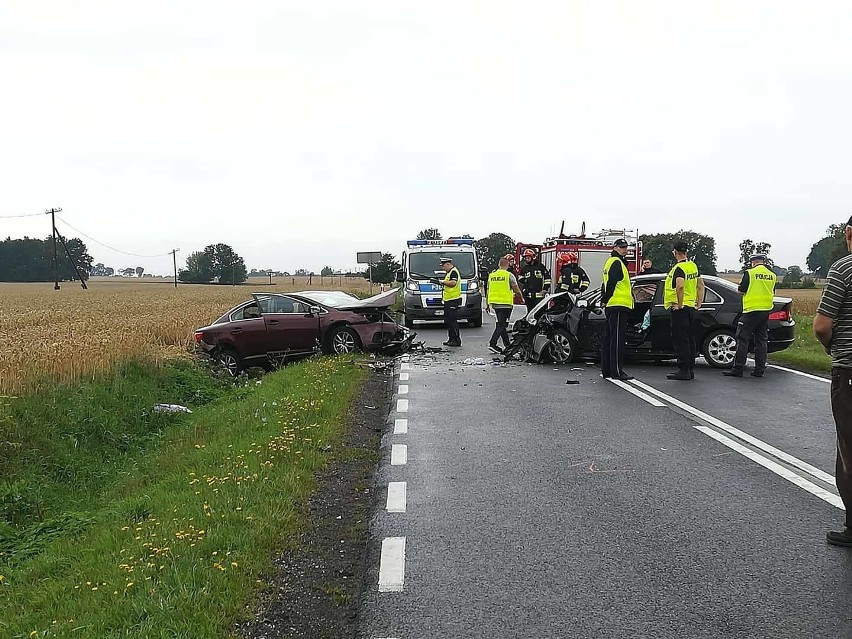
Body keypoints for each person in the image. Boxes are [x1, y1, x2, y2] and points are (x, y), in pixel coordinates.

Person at [814, 217, 852, 547]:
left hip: (850, 371)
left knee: (849, 448)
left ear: (849, 234)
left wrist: (831, 348)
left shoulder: (844, 269)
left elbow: (822, 325)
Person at [723, 253, 777, 377]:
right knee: (761, 340)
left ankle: (738, 368)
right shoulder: (772, 275)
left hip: (751, 310)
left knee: (742, 339)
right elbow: (772, 291)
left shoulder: (750, 273)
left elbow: (741, 291)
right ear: (763, 261)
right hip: (765, 311)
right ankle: (759, 369)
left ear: (753, 262)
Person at [664, 241, 705, 381]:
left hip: (680, 309)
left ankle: (683, 370)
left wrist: (680, 305)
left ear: (675, 252)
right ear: (686, 252)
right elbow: (701, 285)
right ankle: (690, 369)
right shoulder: (692, 266)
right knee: (689, 340)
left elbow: (680, 286)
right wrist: (698, 303)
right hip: (691, 308)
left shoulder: (679, 268)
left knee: (681, 340)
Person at [600, 238, 634, 380]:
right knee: (617, 340)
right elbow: (612, 284)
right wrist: (606, 299)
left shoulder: (610, 262)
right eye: (621, 247)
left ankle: (607, 370)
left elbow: (605, 283)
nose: (624, 249)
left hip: (613, 305)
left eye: (625, 247)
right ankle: (617, 372)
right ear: (615, 248)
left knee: (609, 339)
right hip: (618, 305)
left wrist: (604, 300)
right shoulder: (617, 263)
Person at [486, 257, 524, 354]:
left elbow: (487, 290)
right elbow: (516, 289)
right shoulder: (509, 275)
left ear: (499, 265)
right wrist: (522, 298)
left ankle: (507, 345)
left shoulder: (492, 275)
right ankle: (492, 343)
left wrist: (487, 304)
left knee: (501, 324)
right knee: (502, 325)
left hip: (495, 304)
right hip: (506, 304)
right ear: (507, 265)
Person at [433, 256, 462, 347]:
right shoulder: (449, 272)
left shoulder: (453, 272)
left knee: (453, 321)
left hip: (453, 300)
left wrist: (442, 282)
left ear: (448, 264)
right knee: (448, 321)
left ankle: (456, 340)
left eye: (444, 266)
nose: (443, 268)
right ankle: (451, 339)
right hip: (448, 300)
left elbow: (453, 283)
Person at [518, 248, 551, 313]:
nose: (526, 259)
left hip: (539, 295)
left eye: (527, 258)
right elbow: (519, 277)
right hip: (529, 296)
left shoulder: (540, 266)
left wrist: (545, 288)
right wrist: (525, 281)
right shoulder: (525, 268)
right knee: (530, 313)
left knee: (539, 313)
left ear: (533, 257)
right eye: (525, 258)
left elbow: (547, 278)